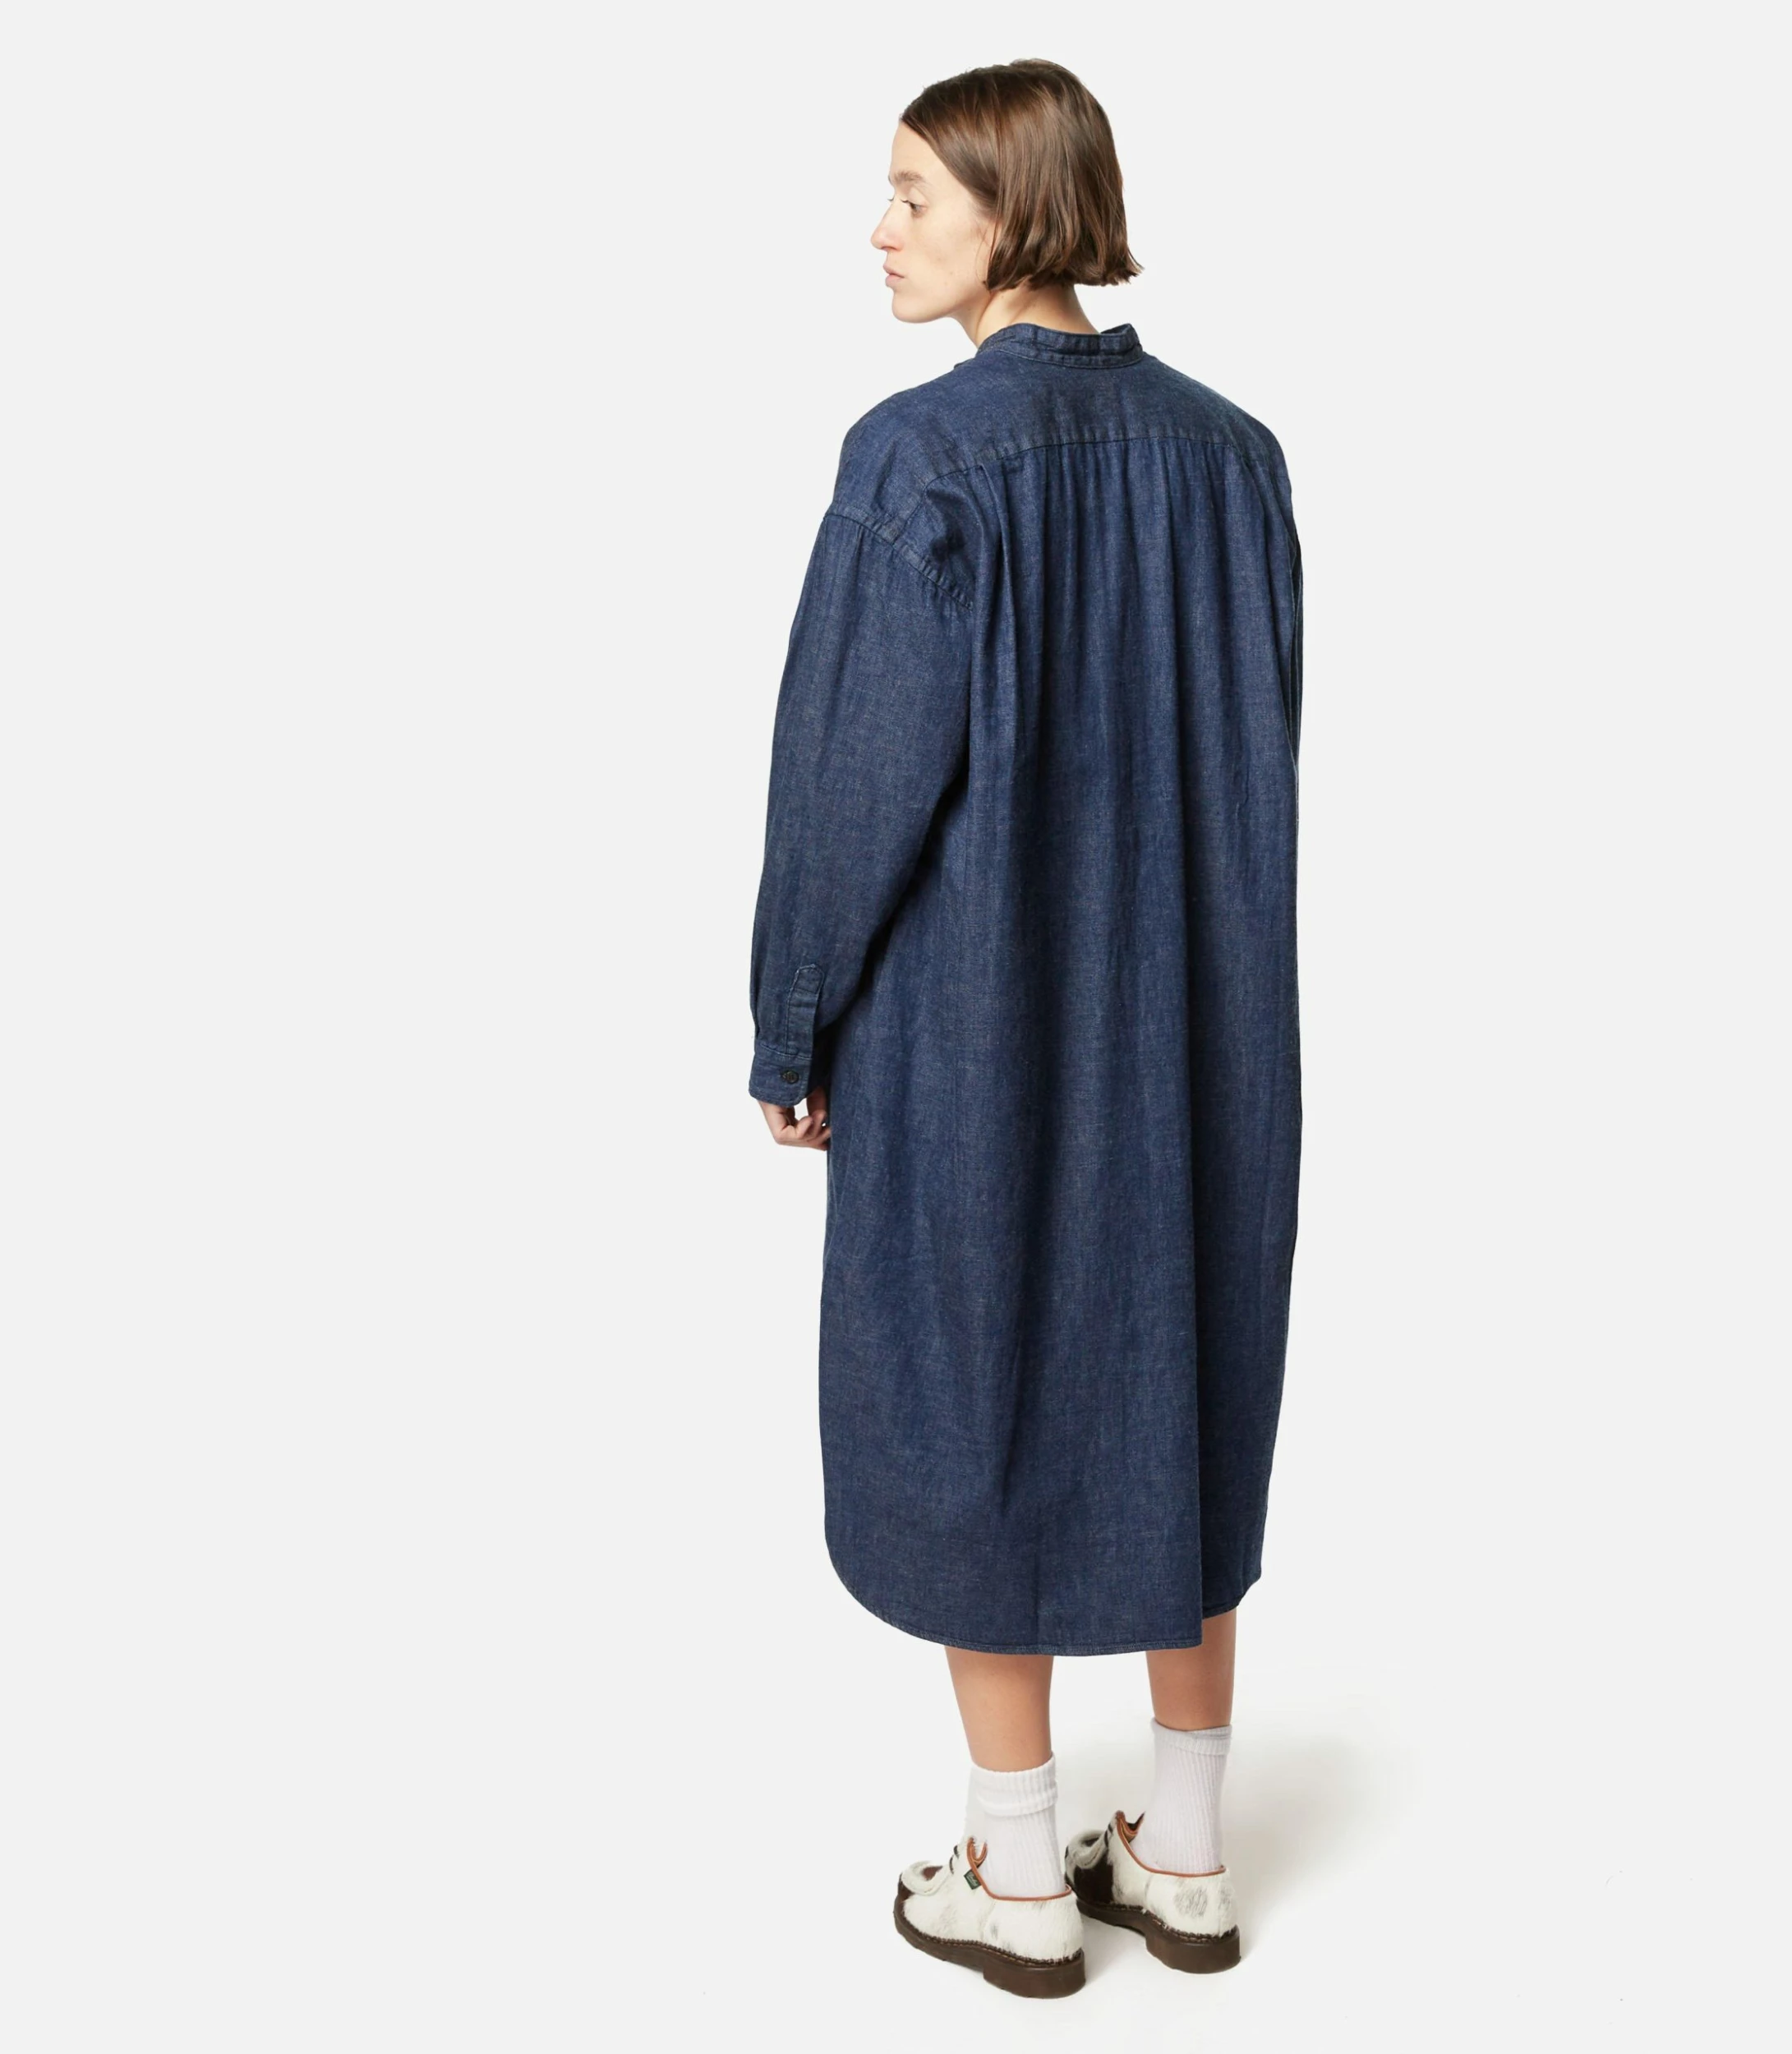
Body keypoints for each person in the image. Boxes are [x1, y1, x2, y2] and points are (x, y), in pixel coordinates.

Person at [746, 59, 1302, 1998]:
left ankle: (1012, 1870)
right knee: (1185, 1375)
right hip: (1202, 1021)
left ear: (1016, 210)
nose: (880, 229)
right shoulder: (1235, 459)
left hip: (971, 1021)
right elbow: (1257, 745)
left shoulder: (918, 459)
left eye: (914, 194)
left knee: (967, 1398)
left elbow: (846, 782)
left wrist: (791, 1019)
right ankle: (1186, 1850)